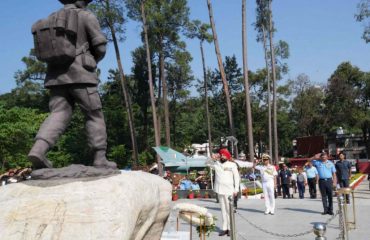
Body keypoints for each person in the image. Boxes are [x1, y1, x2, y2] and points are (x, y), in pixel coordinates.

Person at [28, 0, 116, 169]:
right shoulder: (86, 16)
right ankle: (99, 158)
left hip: (55, 77)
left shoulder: (51, 18)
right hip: (82, 75)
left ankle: (38, 149)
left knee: (58, 113)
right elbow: (101, 47)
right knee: (93, 114)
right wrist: (90, 61)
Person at [207, 148, 240, 236]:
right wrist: (212, 158)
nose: (222, 156)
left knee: (229, 210)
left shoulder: (232, 165)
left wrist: (236, 189)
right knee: (223, 210)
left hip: (229, 190)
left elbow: (236, 177)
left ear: (228, 156)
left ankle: (230, 228)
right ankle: (224, 228)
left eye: (224, 155)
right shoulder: (216, 164)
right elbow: (207, 163)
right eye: (221, 154)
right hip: (219, 189)